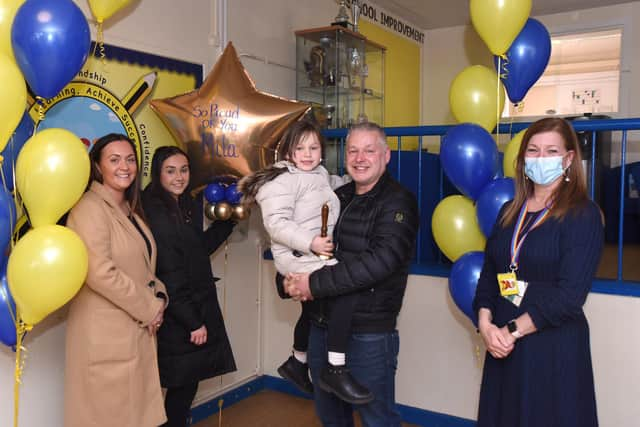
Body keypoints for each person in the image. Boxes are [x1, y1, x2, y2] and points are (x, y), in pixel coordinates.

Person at [284, 121, 419, 426]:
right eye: (353, 151)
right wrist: (291, 278)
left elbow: (379, 262)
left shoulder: (399, 202)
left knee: (377, 418)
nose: (360, 158)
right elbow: (308, 245)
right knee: (330, 415)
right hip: (320, 328)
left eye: (369, 151)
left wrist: (313, 284)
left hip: (368, 335)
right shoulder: (337, 197)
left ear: (386, 156)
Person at [472, 117, 604, 427]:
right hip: (504, 346)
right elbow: (491, 272)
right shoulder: (509, 212)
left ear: (569, 158)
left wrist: (512, 331)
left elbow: (570, 297)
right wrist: (485, 323)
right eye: (533, 150)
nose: (540, 158)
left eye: (550, 151)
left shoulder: (583, 215)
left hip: (551, 349)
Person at [239, 119, 372, 404]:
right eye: (301, 148)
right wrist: (310, 243)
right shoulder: (282, 180)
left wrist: (357, 176)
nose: (308, 153)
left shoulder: (319, 174)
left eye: (313, 147)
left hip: (313, 253)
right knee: (345, 289)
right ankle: (336, 367)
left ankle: (297, 362)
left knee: (312, 310)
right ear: (288, 152)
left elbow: (331, 185)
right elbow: (276, 224)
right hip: (297, 255)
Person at [65, 134, 168, 427]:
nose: (125, 166)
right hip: (106, 338)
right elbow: (100, 272)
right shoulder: (89, 208)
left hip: (135, 333)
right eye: (114, 159)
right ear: (97, 167)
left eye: (130, 159)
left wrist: (159, 297)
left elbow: (145, 267)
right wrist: (150, 308)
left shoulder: (130, 208)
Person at [142, 146, 237, 427]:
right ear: (158, 173)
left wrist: (227, 223)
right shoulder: (156, 210)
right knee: (180, 387)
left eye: (183, 170)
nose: (179, 177)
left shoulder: (184, 204)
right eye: (170, 171)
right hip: (177, 314)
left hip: (188, 307)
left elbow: (196, 250)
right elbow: (169, 272)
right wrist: (193, 322)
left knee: (184, 385)